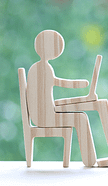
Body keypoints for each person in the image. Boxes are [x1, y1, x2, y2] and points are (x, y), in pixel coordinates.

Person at [27, 30, 97, 167]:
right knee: (80, 118)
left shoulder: (36, 68)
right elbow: (60, 83)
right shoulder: (43, 68)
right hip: (44, 117)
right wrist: (81, 84)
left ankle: (90, 160)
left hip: (42, 114)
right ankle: (90, 161)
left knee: (80, 117)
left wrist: (80, 84)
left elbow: (54, 84)